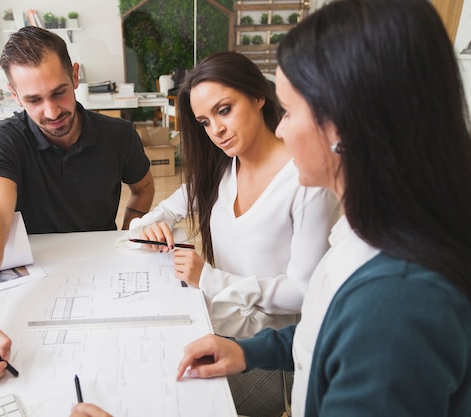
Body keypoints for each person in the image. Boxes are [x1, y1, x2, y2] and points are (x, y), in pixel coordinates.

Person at [73, 0, 471, 415]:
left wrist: (215, 285)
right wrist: (249, 353)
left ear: (349, 123)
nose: (281, 128)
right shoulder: (362, 233)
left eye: (292, 110)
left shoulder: (396, 306)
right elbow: (317, 329)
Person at [121, 51, 339, 416]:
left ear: (258, 97)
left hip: (269, 352)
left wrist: (210, 278)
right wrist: (153, 224)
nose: (216, 131)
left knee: (169, 402)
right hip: (214, 322)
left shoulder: (305, 180)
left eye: (224, 110)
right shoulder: (221, 168)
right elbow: (147, 223)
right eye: (204, 122)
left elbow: (304, 293)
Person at [0, 26, 155, 386]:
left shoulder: (118, 136)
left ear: (75, 75)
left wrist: (131, 238)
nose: (51, 112)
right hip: (33, 276)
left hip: (103, 272)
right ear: (14, 95)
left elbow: (142, 190)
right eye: (34, 100)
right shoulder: (2, 141)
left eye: (59, 93)